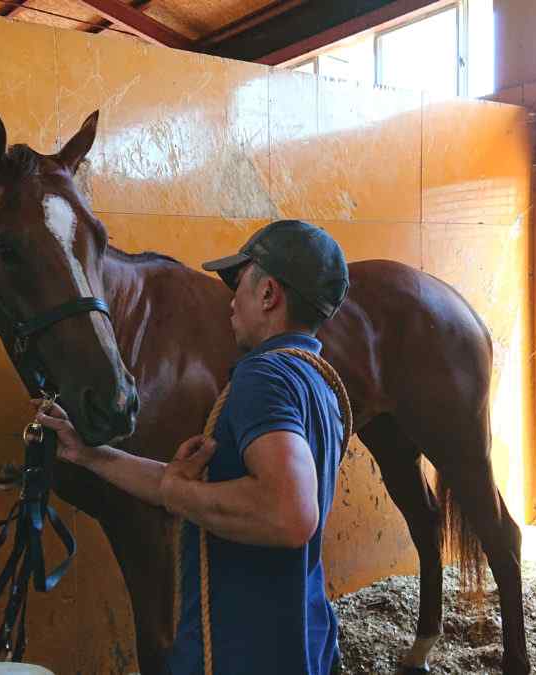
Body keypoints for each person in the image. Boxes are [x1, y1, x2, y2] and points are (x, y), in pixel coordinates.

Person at [37, 219, 351, 675]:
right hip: (302, 640)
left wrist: (179, 495)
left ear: (268, 295)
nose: (230, 299)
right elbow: (192, 486)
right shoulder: (313, 378)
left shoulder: (263, 377)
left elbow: (288, 514)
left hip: (245, 652)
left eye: (238, 281)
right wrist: (87, 453)